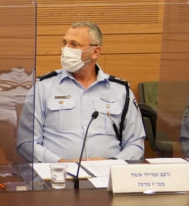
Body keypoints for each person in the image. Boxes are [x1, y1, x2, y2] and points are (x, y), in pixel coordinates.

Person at [17, 21, 145, 163]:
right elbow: (26, 142)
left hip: (107, 176)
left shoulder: (120, 90)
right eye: (64, 43)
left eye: (74, 45)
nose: (66, 49)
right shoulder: (43, 87)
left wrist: (111, 164)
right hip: (57, 177)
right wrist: (60, 163)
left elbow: (135, 143)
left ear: (95, 52)